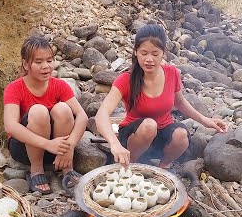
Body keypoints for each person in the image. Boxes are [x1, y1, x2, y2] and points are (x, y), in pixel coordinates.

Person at [95, 23, 228, 171]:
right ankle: (130, 163)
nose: (149, 59)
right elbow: (101, 115)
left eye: (155, 53)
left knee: (181, 134)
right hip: (135, 135)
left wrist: (206, 121)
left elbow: (180, 102)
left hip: (163, 132)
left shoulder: (172, 73)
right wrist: (114, 144)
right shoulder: (126, 79)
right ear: (135, 52)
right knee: (149, 126)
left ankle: (163, 167)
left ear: (163, 52)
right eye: (144, 53)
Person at [4, 35, 88, 194]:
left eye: (49, 61)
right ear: (25, 64)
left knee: (63, 109)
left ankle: (66, 168)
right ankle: (36, 170)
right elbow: (10, 126)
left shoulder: (59, 85)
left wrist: (69, 146)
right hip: (25, 150)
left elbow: (82, 116)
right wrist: (48, 144)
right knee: (38, 111)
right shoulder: (14, 88)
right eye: (38, 62)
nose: (46, 66)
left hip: (56, 150)